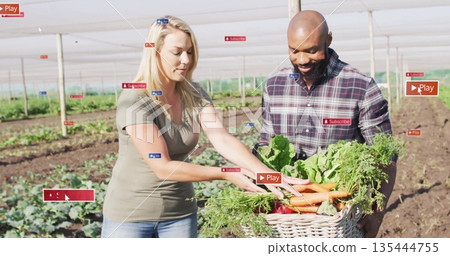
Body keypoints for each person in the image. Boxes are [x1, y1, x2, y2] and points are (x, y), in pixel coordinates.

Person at [101, 15, 308, 238]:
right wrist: (226, 173)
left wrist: (266, 173)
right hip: (130, 216)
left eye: (189, 52)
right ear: (155, 52)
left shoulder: (194, 93)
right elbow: (162, 167)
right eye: (177, 52)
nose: (186, 60)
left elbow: (221, 138)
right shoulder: (135, 99)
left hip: (179, 214)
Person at [258, 10, 396, 238]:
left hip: (341, 216)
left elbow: (386, 157)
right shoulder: (274, 85)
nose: (302, 60)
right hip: (285, 214)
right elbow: (265, 146)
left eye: (311, 50)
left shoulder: (361, 87)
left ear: (328, 40)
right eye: (294, 51)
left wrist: (377, 214)